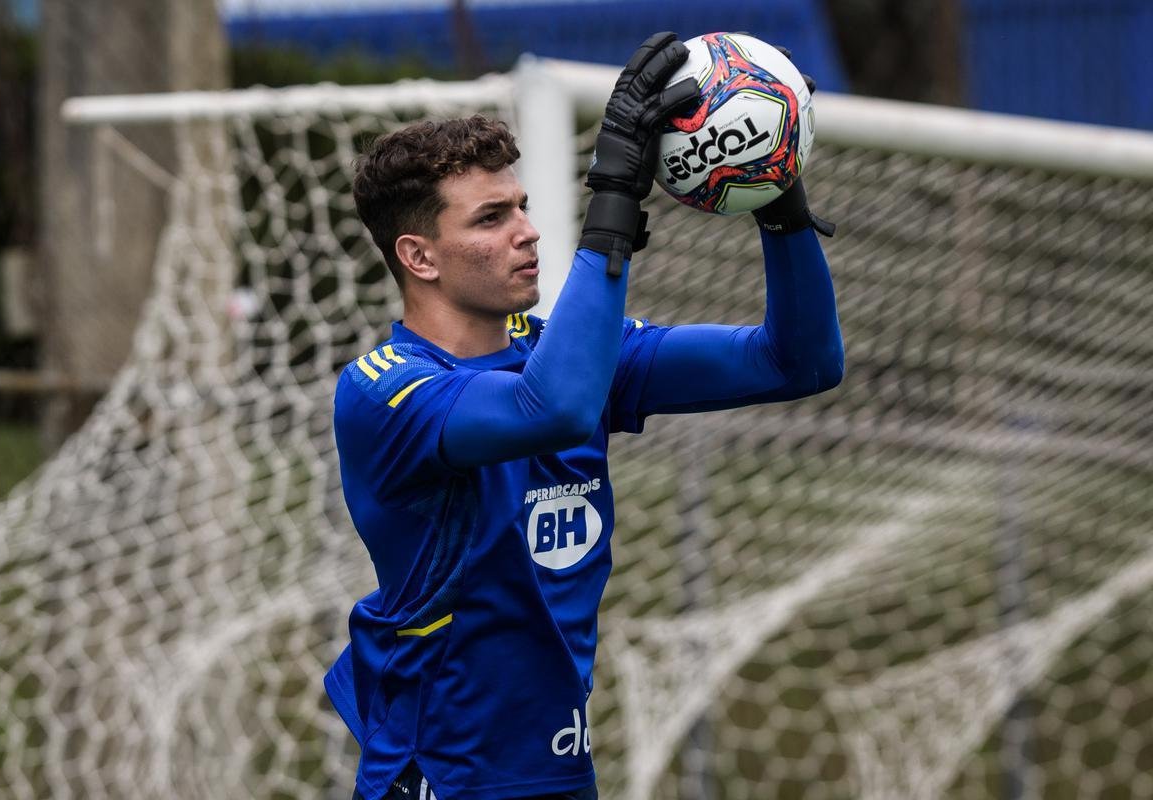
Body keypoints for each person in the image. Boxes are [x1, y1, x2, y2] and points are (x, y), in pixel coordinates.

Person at [325, 32, 844, 800]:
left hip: (561, 770)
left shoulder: (571, 356)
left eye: (523, 207)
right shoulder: (386, 392)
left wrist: (775, 193)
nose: (527, 231)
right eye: (491, 218)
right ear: (420, 257)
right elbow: (556, 409)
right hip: (444, 776)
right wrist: (614, 199)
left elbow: (798, 362)